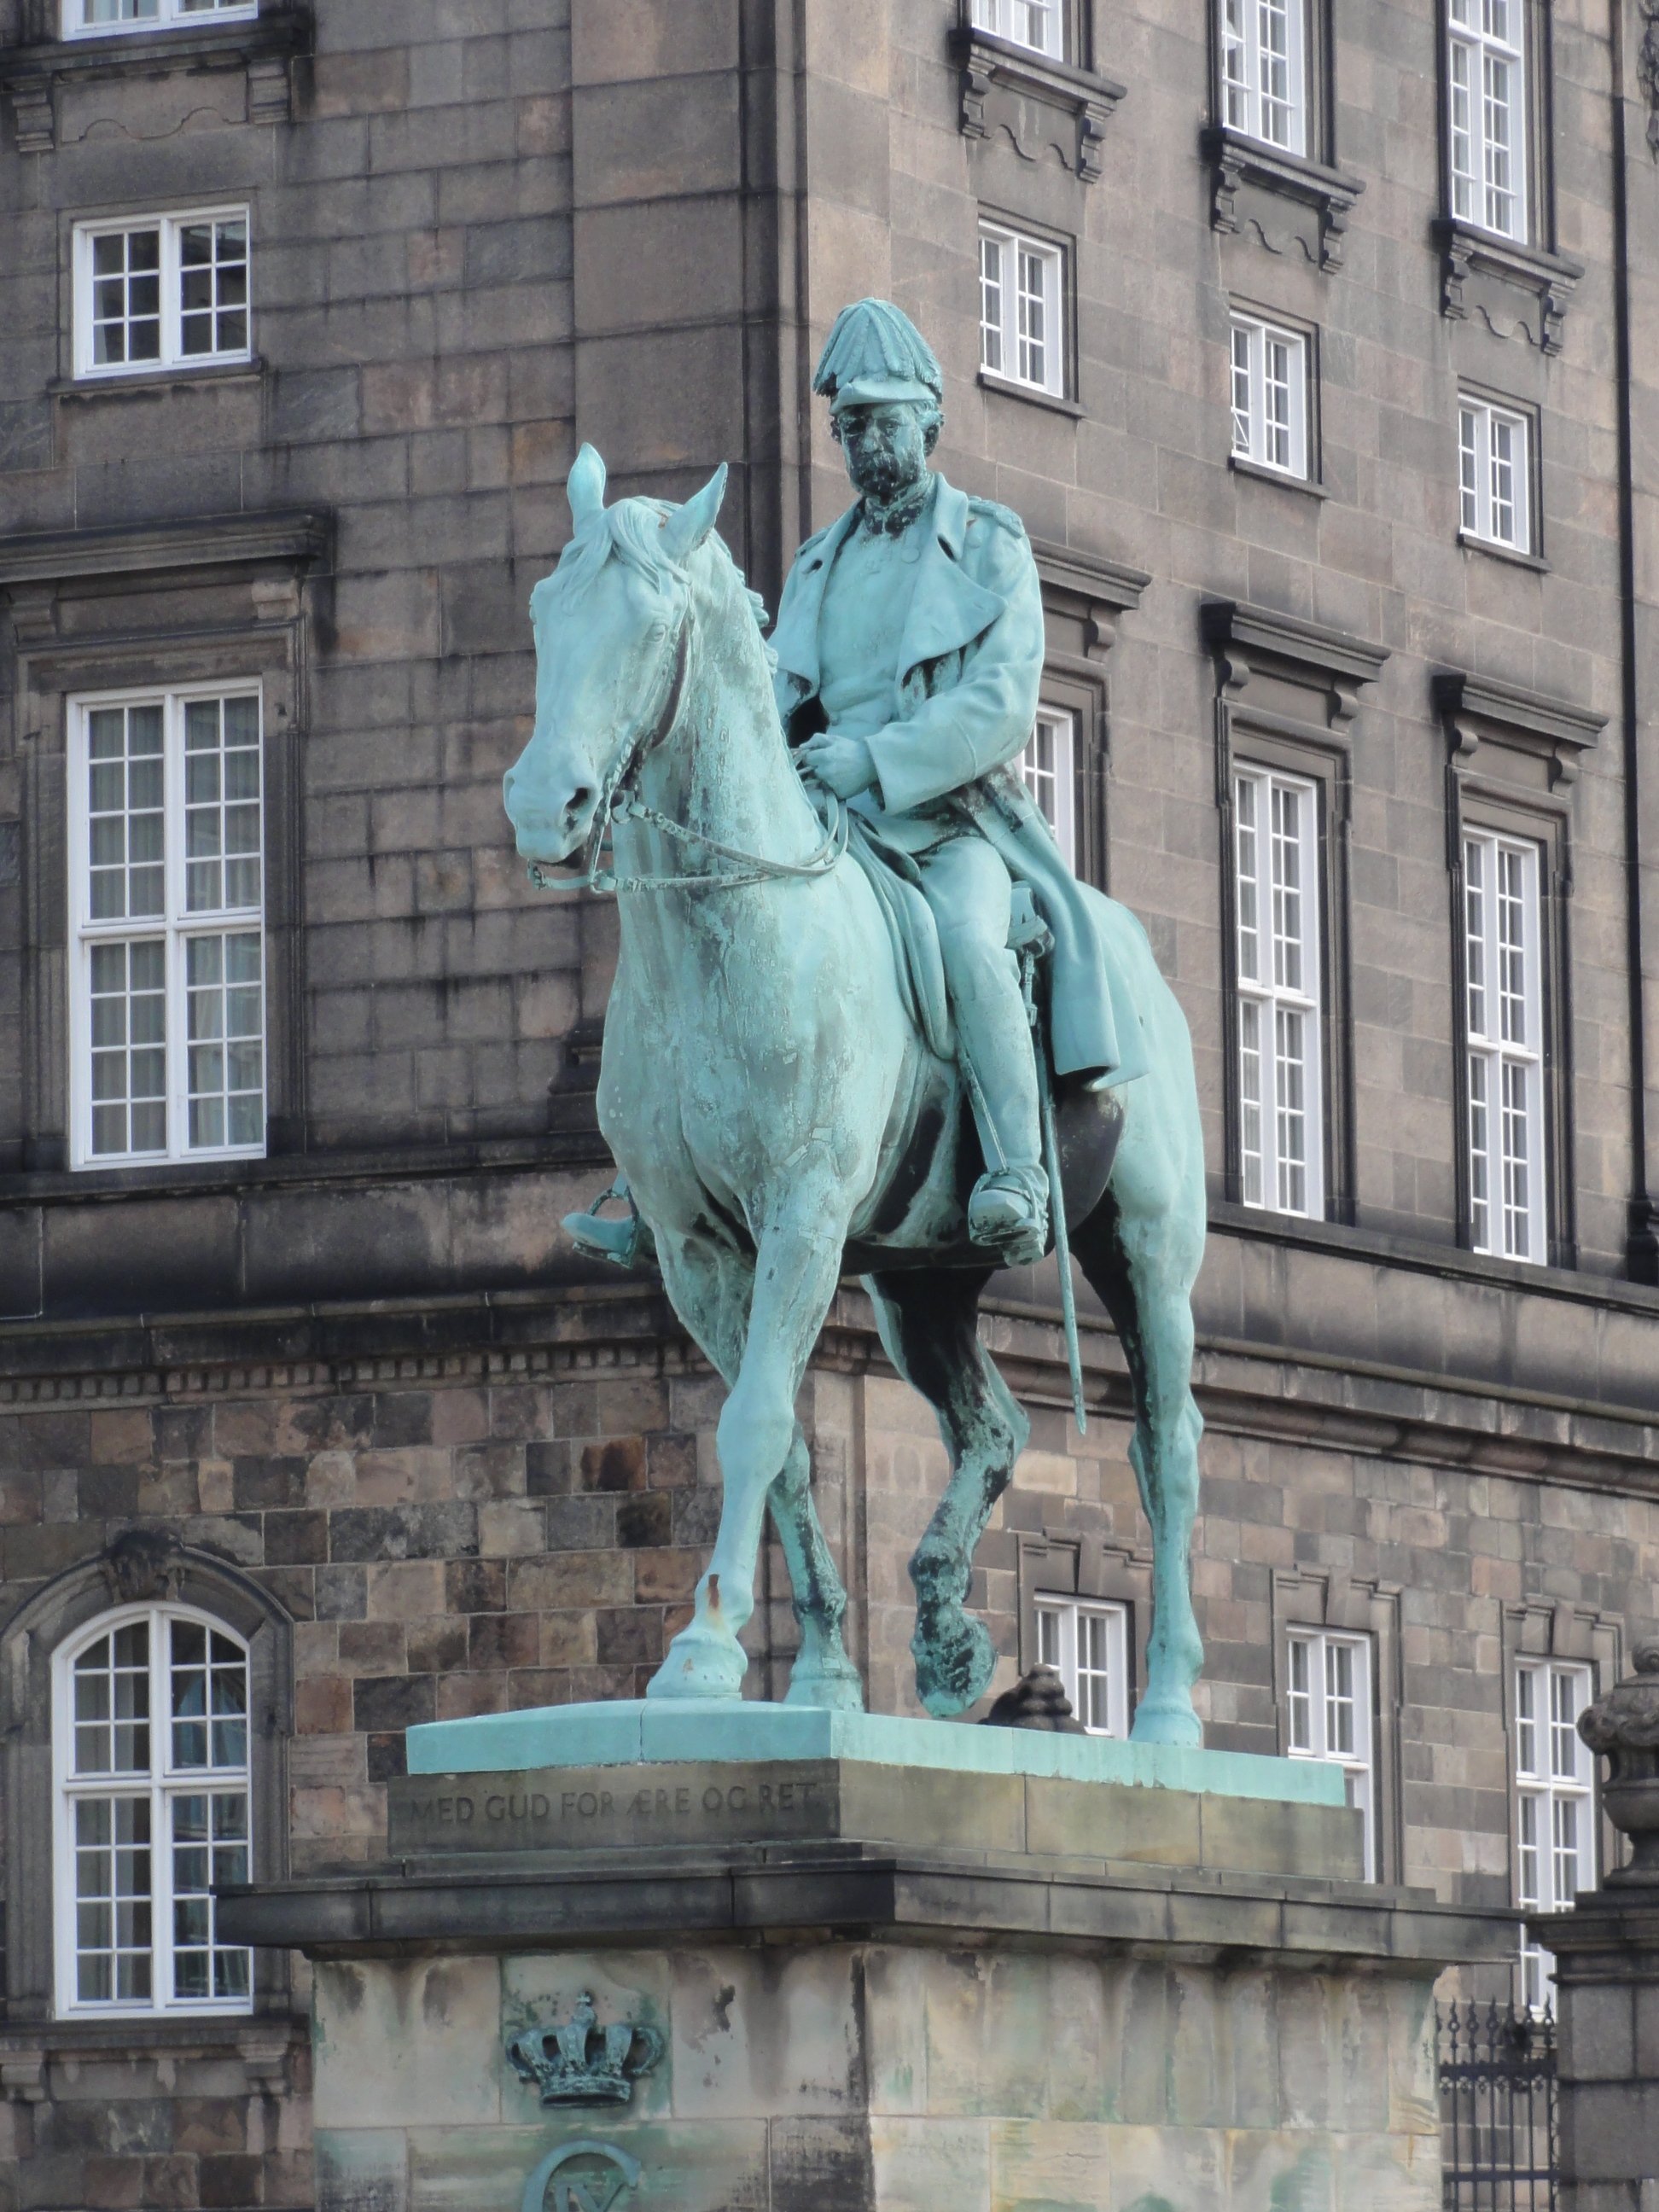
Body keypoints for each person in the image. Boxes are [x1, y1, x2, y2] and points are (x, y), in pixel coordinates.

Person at [568, 298, 1141, 1272]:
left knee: (967, 941)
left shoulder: (993, 545)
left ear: (930, 422)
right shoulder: (819, 561)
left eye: (882, 418)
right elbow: (785, 692)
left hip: (950, 825)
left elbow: (1001, 702)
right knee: (706, 933)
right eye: (848, 424)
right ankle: (656, 1175)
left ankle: (1016, 1174)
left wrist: (877, 758)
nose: (864, 440)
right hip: (830, 820)